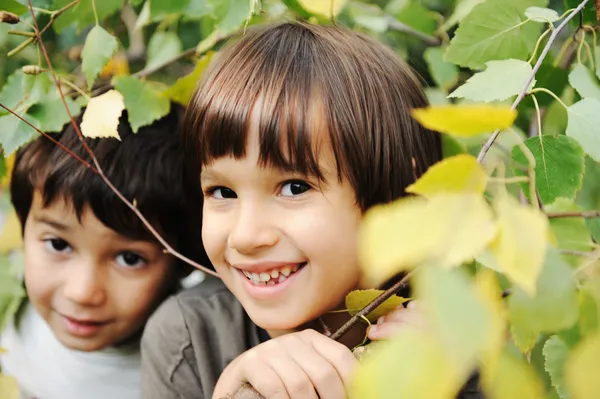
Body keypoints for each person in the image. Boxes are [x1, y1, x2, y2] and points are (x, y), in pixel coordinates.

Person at [141, 21, 477, 399]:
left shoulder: (458, 343)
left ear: (399, 195)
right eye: (222, 191)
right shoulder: (192, 337)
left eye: (294, 188)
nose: (246, 236)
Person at [0, 105, 209, 399]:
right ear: (22, 227)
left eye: (129, 259)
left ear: (184, 261)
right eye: (58, 244)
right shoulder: (8, 300)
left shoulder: (196, 369)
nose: (82, 292)